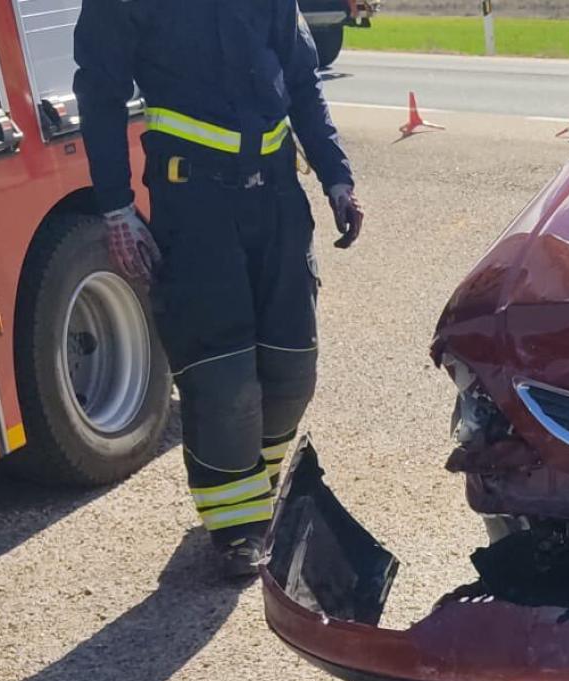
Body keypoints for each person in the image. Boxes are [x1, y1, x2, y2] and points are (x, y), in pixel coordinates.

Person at [73, 0, 364, 578]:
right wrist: (116, 206)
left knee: (292, 368)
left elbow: (303, 82)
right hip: (195, 204)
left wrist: (337, 176)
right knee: (224, 379)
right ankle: (237, 531)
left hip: (277, 196)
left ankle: (258, 486)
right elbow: (99, 92)